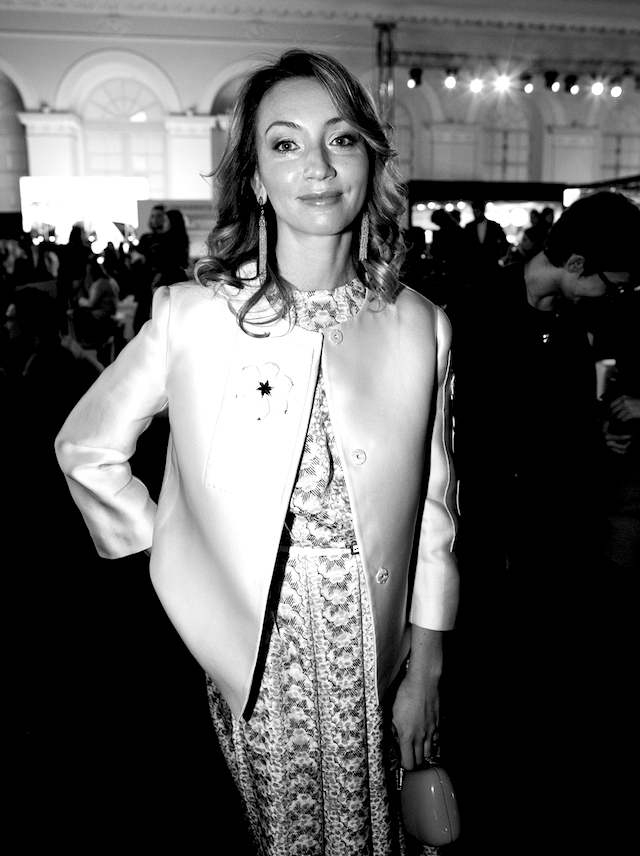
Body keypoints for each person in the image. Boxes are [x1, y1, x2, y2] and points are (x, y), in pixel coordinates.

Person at [54, 49, 459, 856]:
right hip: (260, 656)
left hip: (381, 646)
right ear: (255, 178)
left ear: (371, 159)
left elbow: (435, 513)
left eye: (341, 139)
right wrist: (178, 556)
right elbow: (87, 448)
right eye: (285, 143)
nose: (318, 166)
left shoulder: (421, 324)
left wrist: (427, 667)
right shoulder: (194, 316)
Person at [448, 190, 640, 855]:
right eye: (611, 282)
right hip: (488, 540)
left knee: (544, 693)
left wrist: (594, 439)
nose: (615, 295)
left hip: (551, 542)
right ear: (576, 262)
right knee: (489, 691)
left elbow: (564, 423)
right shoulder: (474, 313)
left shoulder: (570, 321)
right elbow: (465, 438)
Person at [461, 199, 508, 281]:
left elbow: (504, 243)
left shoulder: (494, 226)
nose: (475, 214)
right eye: (474, 212)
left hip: (491, 263)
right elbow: (465, 245)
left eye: (477, 212)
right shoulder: (469, 227)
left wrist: (500, 256)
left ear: (482, 211)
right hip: (474, 265)